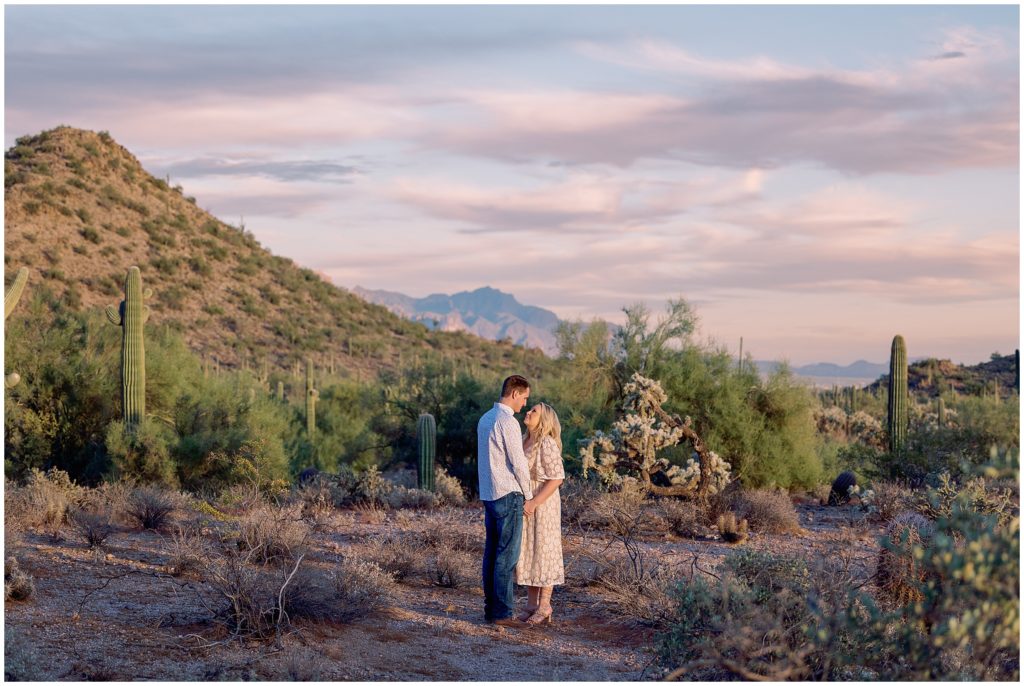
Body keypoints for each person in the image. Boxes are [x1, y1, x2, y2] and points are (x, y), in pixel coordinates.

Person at [477, 374, 534, 627]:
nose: (524, 404)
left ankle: (492, 610)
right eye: (524, 398)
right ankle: (502, 614)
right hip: (509, 494)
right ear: (514, 394)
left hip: (489, 494)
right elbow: (519, 463)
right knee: (506, 556)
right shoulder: (507, 422)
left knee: (492, 553)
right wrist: (529, 495)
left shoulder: (485, 419)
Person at [515, 402, 565, 625]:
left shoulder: (547, 443)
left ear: (543, 419)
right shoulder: (525, 440)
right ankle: (531, 604)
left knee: (544, 551)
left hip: (543, 504)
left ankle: (545, 605)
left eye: (533, 411)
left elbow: (557, 478)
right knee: (529, 550)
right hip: (527, 502)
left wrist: (535, 502)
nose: (528, 412)